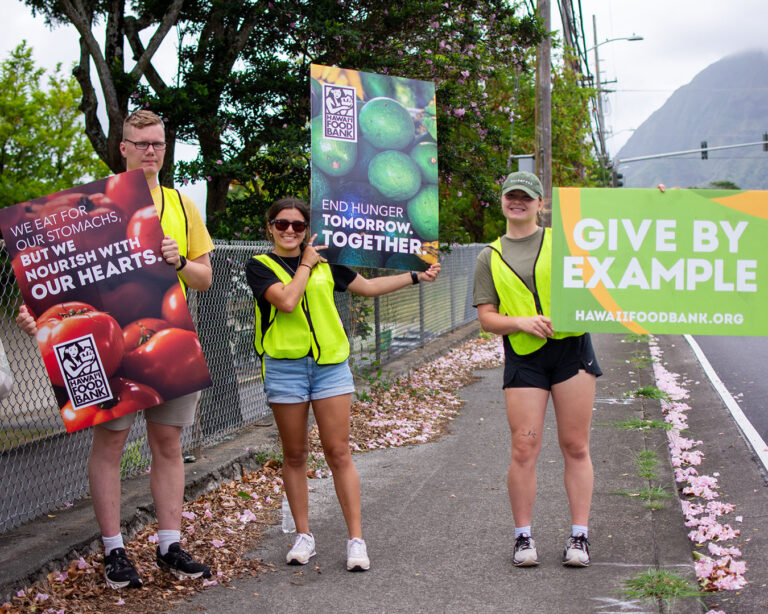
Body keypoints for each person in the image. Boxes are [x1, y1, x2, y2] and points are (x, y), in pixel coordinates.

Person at [16, 110, 214, 589]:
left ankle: (169, 544)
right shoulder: (85, 207)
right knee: (109, 446)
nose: (151, 151)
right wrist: (37, 320)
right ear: (122, 147)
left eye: (159, 144)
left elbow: (204, 278)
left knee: (168, 445)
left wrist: (180, 260)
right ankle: (114, 552)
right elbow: (59, 279)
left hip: (167, 338)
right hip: (102, 345)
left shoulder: (182, 206)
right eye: (141, 143)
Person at [246, 197, 440, 572]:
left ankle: (356, 539)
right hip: (285, 369)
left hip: (330, 367)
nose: (289, 231)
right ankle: (304, 535)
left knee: (339, 453)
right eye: (282, 224)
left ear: (307, 229)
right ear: (269, 227)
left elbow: (366, 287)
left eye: (298, 226)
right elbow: (286, 301)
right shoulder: (259, 266)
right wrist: (306, 262)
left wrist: (416, 276)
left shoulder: (328, 262)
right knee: (295, 455)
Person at [472, 171, 601, 568]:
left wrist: (662, 204)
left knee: (575, 446)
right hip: (525, 357)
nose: (518, 202)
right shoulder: (488, 256)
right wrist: (522, 322)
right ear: (502, 201)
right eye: (511, 196)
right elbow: (487, 319)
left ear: (540, 204)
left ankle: (579, 538)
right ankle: (522, 537)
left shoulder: (565, 242)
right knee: (524, 447)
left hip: (571, 353)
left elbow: (622, 251)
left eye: (526, 197)